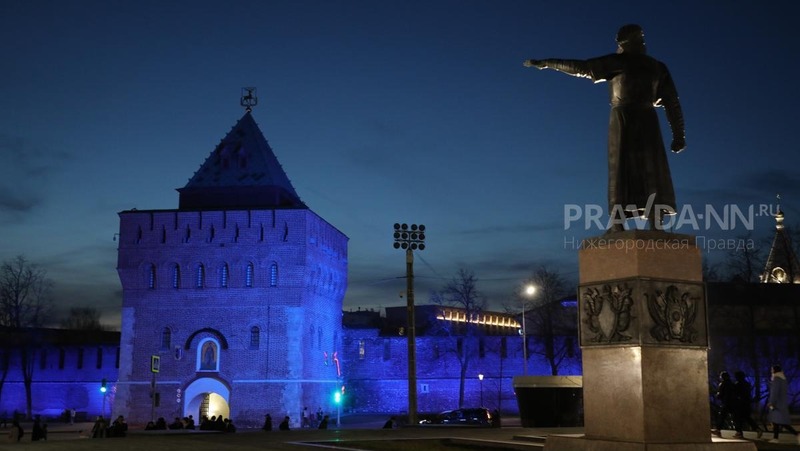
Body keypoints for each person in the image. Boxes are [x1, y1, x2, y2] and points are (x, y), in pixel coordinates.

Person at [524, 24, 686, 231]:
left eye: (642, 37)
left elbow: (672, 101)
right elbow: (581, 68)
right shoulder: (633, 63)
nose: (642, 41)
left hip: (636, 118)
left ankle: (647, 220)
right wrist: (548, 63)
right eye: (639, 37)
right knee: (631, 166)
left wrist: (679, 134)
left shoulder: (650, 66)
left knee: (641, 167)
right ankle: (627, 222)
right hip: (633, 118)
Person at [767, 364, 800, 444]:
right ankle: (776, 438)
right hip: (782, 403)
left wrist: (771, 402)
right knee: (778, 422)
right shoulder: (783, 379)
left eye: (772, 369)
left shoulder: (776, 379)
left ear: (774, 370)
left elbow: (774, 392)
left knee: (780, 422)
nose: (771, 371)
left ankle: (796, 434)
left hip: (777, 404)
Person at [733, 370, 762, 439]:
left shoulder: (737, 384)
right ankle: (757, 429)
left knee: (737, 419)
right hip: (747, 404)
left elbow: (735, 394)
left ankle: (739, 432)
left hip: (739, 404)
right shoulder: (747, 384)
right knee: (747, 418)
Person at [711, 371, 737, 437]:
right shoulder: (732, 384)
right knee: (735, 417)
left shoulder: (723, 384)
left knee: (722, 417)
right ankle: (739, 431)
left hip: (725, 403)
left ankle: (718, 430)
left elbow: (720, 394)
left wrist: (717, 395)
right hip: (733, 403)